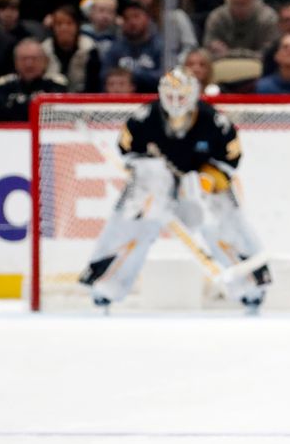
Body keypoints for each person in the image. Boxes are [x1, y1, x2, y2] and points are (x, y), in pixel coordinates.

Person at [79, 68, 272, 312]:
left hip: (198, 179)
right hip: (155, 182)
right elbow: (128, 152)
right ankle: (105, 284)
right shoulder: (144, 118)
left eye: (181, 96)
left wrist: (209, 179)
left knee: (221, 217)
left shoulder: (214, 121)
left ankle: (251, 286)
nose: (175, 102)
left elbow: (230, 159)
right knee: (135, 215)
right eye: (170, 95)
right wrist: (149, 174)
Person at [0, 38, 67, 122]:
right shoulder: (3, 86)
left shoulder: (56, 84)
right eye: (24, 59)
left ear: (44, 62)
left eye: (34, 58)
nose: (29, 64)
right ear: (15, 62)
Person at [101, 0, 164, 93]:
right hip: (120, 103)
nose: (132, 22)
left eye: (136, 16)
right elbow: (104, 76)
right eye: (127, 18)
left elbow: (165, 78)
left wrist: (134, 75)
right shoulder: (116, 48)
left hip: (154, 101)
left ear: (147, 18)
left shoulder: (160, 46)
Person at [42, 4, 101, 92]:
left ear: (77, 26)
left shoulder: (89, 48)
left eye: (69, 23)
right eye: (59, 24)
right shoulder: (44, 49)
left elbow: (93, 85)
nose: (64, 28)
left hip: (82, 100)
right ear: (53, 27)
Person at [203, 0, 279, 61]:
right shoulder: (216, 17)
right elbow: (207, 54)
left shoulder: (268, 18)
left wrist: (228, 53)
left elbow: (269, 55)